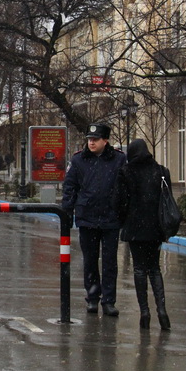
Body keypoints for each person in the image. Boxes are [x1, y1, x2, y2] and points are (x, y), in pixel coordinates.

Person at [61, 123, 126, 316]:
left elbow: (125, 189)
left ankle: (108, 300)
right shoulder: (79, 160)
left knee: (109, 261)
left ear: (105, 140)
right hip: (87, 217)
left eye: (95, 139)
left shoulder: (118, 159)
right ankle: (92, 298)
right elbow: (69, 187)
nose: (91, 142)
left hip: (110, 218)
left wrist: (122, 210)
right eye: (89, 139)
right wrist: (67, 211)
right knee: (89, 260)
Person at [114, 139, 172, 330]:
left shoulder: (126, 172)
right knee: (154, 268)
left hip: (135, 228)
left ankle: (145, 312)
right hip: (156, 228)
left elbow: (120, 202)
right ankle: (162, 310)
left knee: (139, 268)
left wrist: (124, 221)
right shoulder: (162, 172)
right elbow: (167, 200)